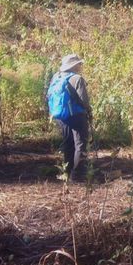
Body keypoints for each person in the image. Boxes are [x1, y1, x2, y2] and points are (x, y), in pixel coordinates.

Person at [47, 54, 92, 182]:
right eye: (79, 64)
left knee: (68, 143)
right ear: (74, 65)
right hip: (77, 116)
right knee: (80, 144)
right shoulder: (77, 79)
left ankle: (66, 172)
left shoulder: (57, 76)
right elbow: (83, 100)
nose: (80, 66)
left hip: (61, 116)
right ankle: (77, 175)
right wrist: (89, 111)